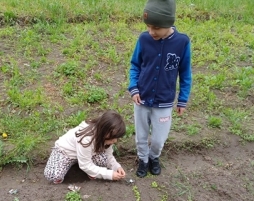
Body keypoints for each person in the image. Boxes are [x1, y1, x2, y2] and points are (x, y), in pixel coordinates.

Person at [128, 0, 192, 178]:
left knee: (158, 139)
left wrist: (183, 99)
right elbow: (135, 65)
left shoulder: (182, 42)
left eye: (156, 28)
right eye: (148, 26)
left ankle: (154, 156)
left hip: (164, 102)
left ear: (168, 23)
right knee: (141, 136)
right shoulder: (144, 39)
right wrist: (134, 88)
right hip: (141, 99)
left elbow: (185, 73)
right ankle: (143, 159)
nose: (151, 32)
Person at [44, 110, 126, 184]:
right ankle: (77, 166)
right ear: (104, 130)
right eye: (113, 137)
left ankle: (89, 169)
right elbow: (85, 165)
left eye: (116, 138)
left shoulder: (106, 137)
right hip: (66, 153)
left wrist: (116, 167)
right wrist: (109, 174)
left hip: (87, 154)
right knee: (53, 175)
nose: (115, 141)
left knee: (103, 159)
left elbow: (108, 155)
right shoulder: (86, 138)